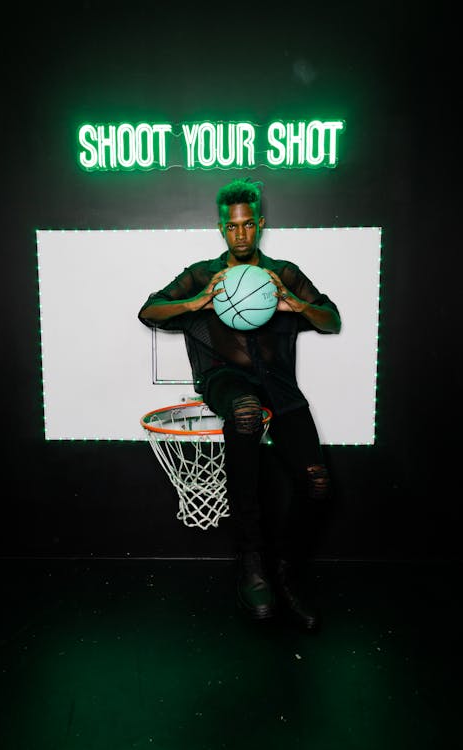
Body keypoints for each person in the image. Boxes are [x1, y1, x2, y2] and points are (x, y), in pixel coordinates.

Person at [138, 178, 341, 630]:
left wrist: (292, 303)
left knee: (318, 484)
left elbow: (332, 319)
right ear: (221, 229)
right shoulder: (202, 273)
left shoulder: (282, 274)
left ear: (260, 225)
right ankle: (250, 562)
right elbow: (149, 310)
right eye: (233, 228)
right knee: (245, 411)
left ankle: (284, 572)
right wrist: (198, 300)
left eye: (249, 226)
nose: (241, 235)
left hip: (279, 386)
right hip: (225, 380)